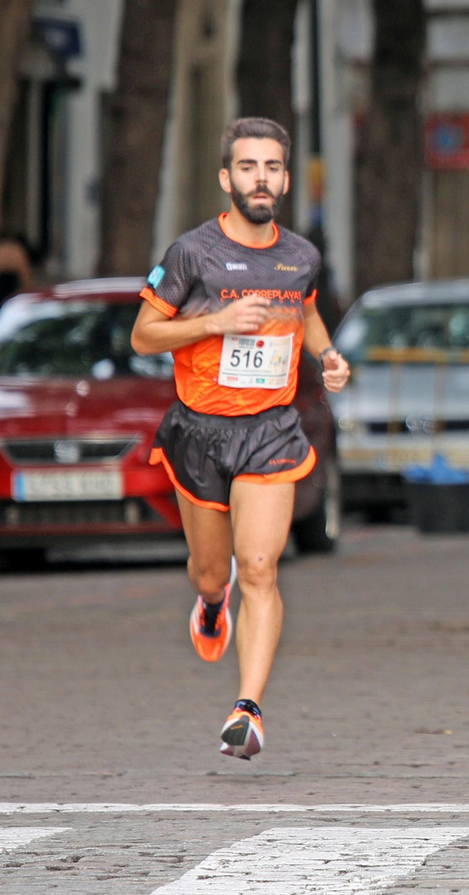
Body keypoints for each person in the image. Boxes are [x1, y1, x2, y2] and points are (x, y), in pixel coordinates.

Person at [130, 118, 349, 759]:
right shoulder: (190, 255)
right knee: (211, 570)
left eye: (273, 167)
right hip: (199, 430)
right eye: (249, 167)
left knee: (259, 566)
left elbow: (304, 309)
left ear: (285, 177)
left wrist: (329, 355)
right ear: (227, 178)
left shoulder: (301, 256)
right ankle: (208, 601)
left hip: (270, 430)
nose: (262, 179)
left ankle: (248, 709)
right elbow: (144, 335)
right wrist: (216, 322)